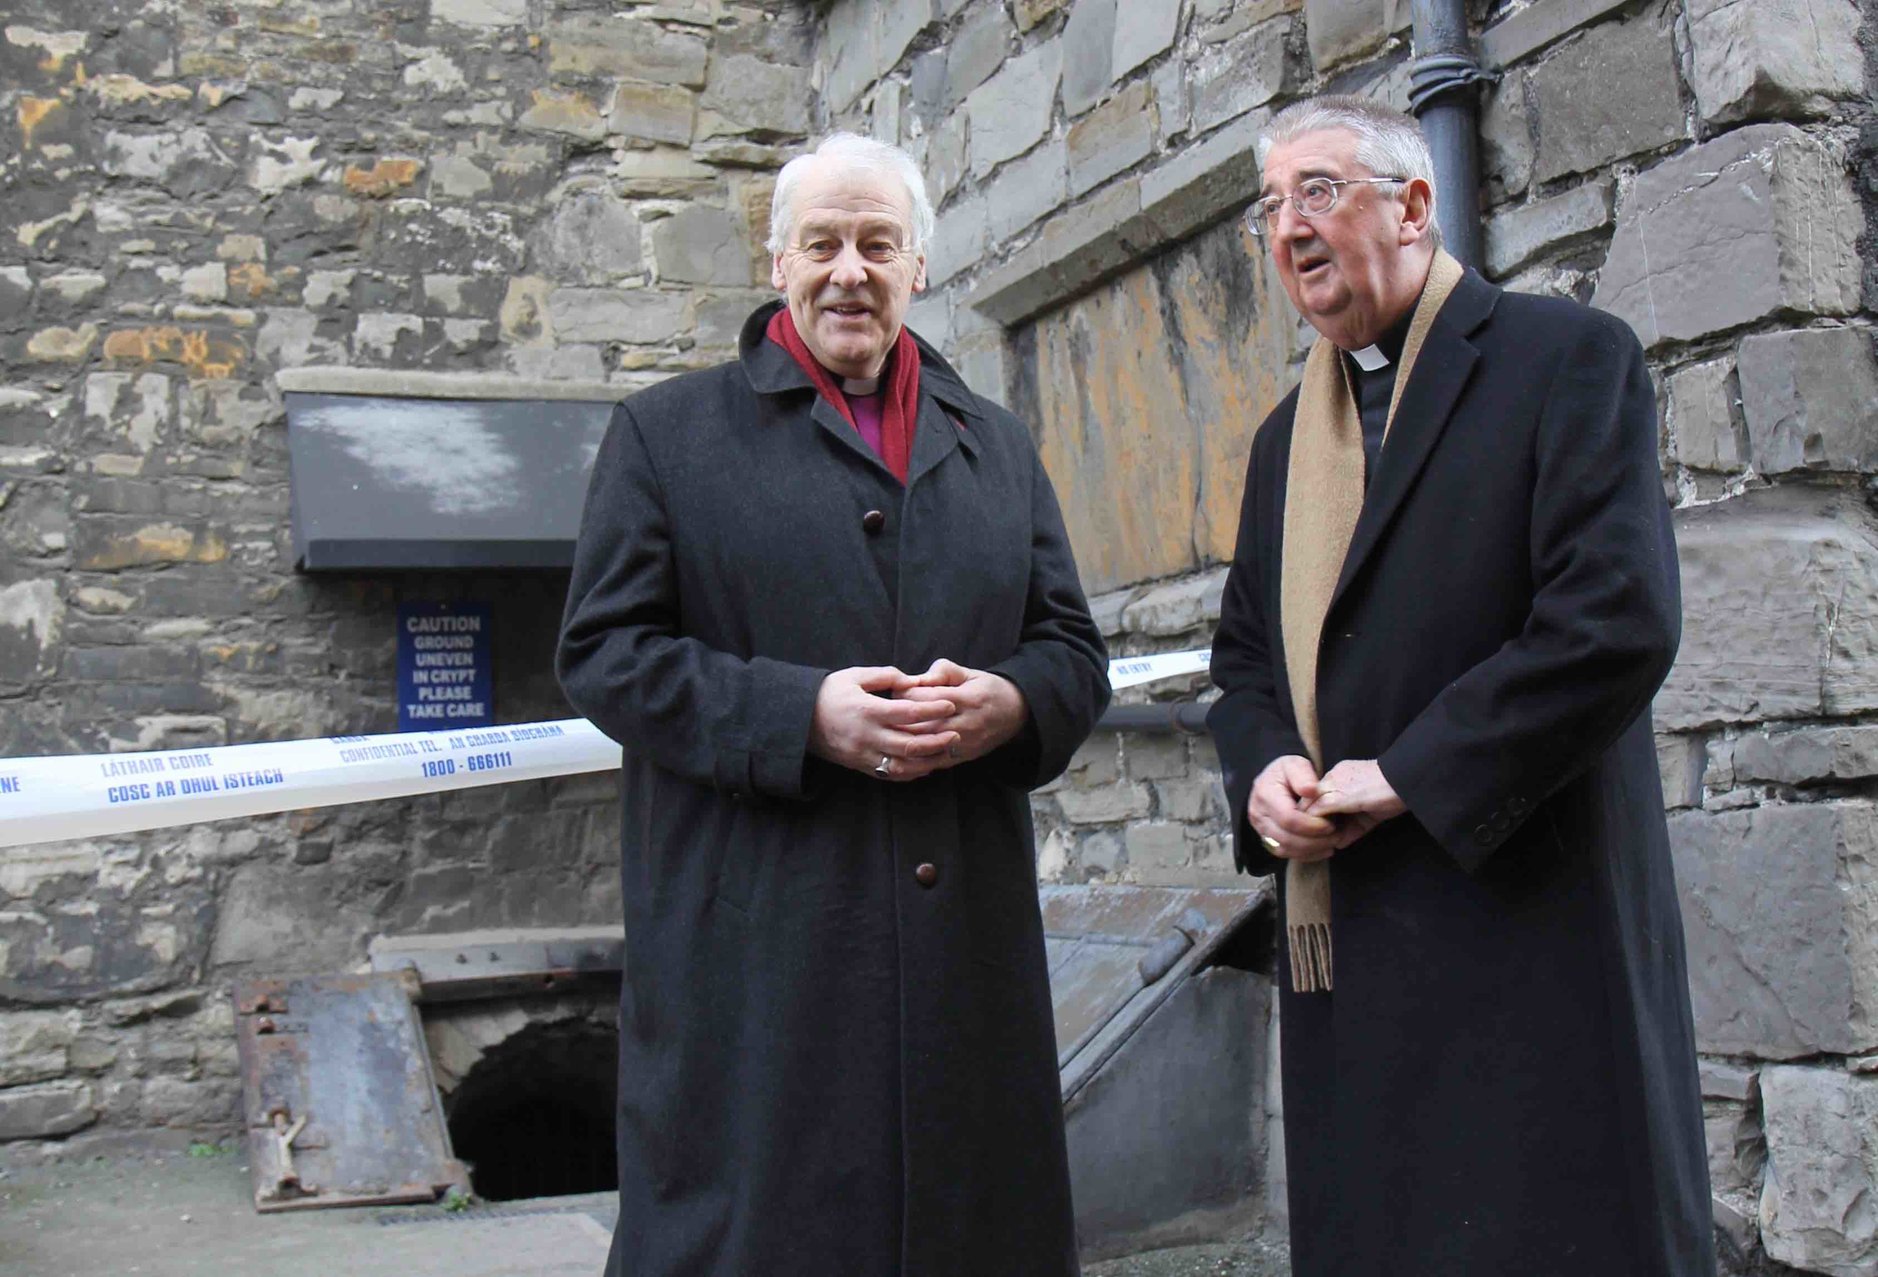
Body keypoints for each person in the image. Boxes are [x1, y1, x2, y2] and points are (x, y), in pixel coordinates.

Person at [556, 132, 1109, 1277]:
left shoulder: (994, 445)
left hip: (963, 955)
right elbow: (604, 652)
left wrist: (1011, 701)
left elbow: (1071, 648)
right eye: (822, 243)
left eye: (877, 244)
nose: (848, 270)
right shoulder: (667, 435)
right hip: (759, 956)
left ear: (917, 268)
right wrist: (802, 715)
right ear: (778, 262)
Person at [1207, 96, 1714, 1275]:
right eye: (1270, 208)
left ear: (1417, 205)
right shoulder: (1287, 439)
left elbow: (1615, 620)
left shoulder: (1563, 359)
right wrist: (1263, 769)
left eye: (1319, 191)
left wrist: (1413, 772)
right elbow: (1241, 658)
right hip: (1357, 953)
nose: (1289, 228)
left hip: (1530, 926)